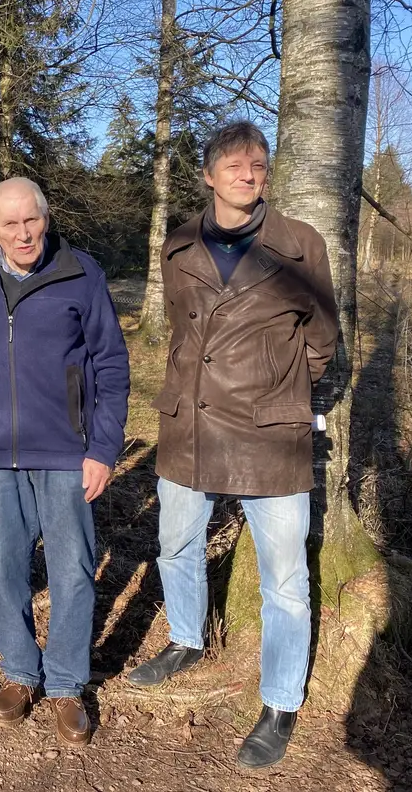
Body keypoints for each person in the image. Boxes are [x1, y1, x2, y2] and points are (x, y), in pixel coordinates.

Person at [125, 120, 338, 769]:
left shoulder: (300, 244)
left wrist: (278, 389)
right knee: (177, 543)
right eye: (237, 165)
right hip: (190, 424)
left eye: (259, 165)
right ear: (210, 175)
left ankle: (279, 702)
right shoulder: (179, 245)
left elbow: (324, 340)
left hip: (269, 434)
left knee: (285, 581)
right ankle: (187, 638)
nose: (250, 174)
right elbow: (184, 336)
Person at [0, 177, 130, 748]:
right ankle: (19, 673)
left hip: (66, 449)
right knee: (5, 566)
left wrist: (102, 450)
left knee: (70, 568)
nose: (22, 233)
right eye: (9, 224)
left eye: (31, 220)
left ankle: (65, 685)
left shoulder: (80, 272)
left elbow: (111, 365)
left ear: (46, 217)